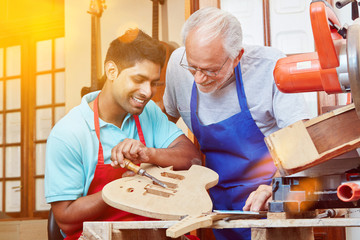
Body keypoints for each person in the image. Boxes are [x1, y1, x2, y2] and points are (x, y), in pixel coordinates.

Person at [163, 7, 311, 240]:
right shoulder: (176, 64)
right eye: (193, 67)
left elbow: (301, 141)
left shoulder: (271, 66)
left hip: (270, 200)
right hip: (213, 205)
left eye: (211, 70)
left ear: (237, 57)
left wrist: (275, 187)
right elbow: (162, 128)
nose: (199, 79)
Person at [44, 28, 201, 240]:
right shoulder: (68, 133)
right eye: (138, 79)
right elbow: (65, 217)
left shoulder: (150, 112)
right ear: (111, 71)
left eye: (154, 82)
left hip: (154, 233)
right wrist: (124, 188)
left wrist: (149, 154)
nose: (147, 92)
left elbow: (192, 158)